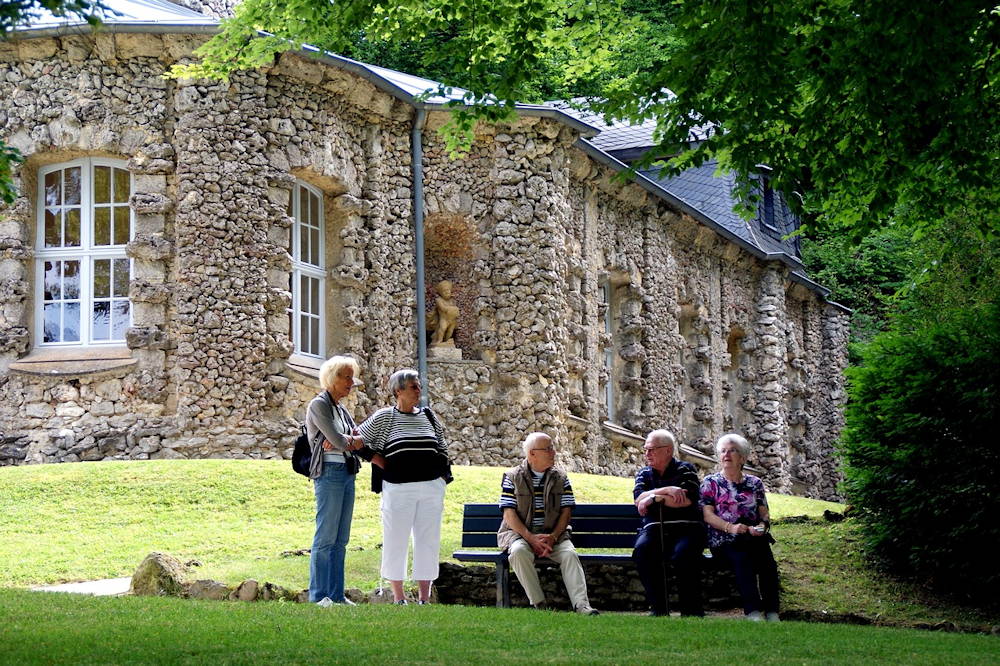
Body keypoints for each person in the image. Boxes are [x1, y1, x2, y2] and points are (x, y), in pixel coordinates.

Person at [357, 369, 450, 605]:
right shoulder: (385, 417)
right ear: (398, 391)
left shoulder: (428, 416)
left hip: (431, 487)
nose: (418, 391)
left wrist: (441, 476)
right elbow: (357, 440)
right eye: (413, 387)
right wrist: (377, 460)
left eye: (419, 386)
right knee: (395, 539)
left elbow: (442, 445)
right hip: (398, 488)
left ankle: (424, 598)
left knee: (427, 540)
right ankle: (398, 597)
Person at [497, 432, 599, 615]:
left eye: (552, 448)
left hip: (554, 535)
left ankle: (582, 606)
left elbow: (566, 512)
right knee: (518, 552)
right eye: (548, 449)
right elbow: (509, 514)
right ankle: (539, 604)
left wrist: (552, 537)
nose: (554, 452)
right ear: (532, 453)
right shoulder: (512, 477)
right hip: (520, 535)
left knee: (569, 554)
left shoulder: (561, 477)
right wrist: (531, 538)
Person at [700, 433, 780, 622]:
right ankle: (752, 612)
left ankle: (772, 612)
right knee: (743, 559)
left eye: (733, 451)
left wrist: (761, 527)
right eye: (723, 451)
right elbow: (707, 515)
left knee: (768, 563)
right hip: (724, 539)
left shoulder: (755, 483)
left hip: (752, 536)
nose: (727, 455)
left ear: (742, 457)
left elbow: (764, 513)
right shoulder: (711, 483)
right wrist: (731, 528)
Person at [306, 355, 366, 606]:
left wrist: (347, 440)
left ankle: (337, 595)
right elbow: (342, 441)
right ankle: (319, 596)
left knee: (341, 539)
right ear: (332, 378)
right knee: (326, 537)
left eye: (352, 377)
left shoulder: (340, 408)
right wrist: (347, 441)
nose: (351, 383)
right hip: (329, 473)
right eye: (347, 377)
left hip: (346, 473)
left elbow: (359, 437)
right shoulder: (318, 405)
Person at [632, 429, 705, 617]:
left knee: (684, 555)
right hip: (655, 529)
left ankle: (691, 612)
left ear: (668, 450)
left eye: (652, 449)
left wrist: (654, 499)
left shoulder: (686, 469)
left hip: (686, 528)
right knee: (643, 551)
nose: (647, 453)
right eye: (646, 449)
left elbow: (686, 500)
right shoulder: (643, 474)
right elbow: (639, 499)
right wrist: (667, 490)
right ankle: (659, 609)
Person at [429, 279, 459, 346]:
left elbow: (456, 310)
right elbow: (443, 308)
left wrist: (454, 310)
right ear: (440, 293)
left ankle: (446, 341)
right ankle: (439, 340)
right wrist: (453, 309)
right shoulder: (439, 300)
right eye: (444, 291)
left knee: (450, 331)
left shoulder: (451, 300)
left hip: (452, 319)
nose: (447, 292)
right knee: (442, 328)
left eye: (448, 290)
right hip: (444, 318)